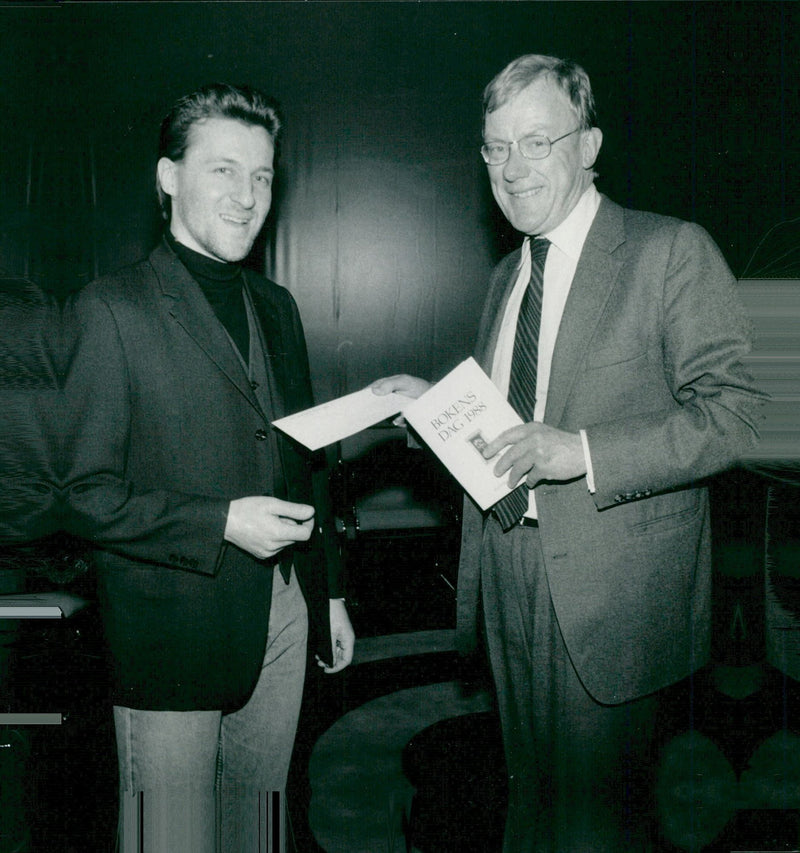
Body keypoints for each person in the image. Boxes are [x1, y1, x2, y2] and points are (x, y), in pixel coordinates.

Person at [373, 54, 764, 851]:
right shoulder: (504, 279)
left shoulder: (669, 252)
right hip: (508, 579)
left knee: (597, 830)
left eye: (536, 142)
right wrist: (435, 409)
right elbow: (510, 436)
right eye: (495, 148)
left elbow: (744, 413)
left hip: (610, 597)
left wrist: (582, 450)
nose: (512, 169)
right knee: (532, 813)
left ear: (588, 146)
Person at [59, 83, 354, 853]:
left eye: (261, 176)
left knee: (254, 830)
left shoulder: (278, 305)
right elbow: (82, 494)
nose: (248, 195)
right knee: (175, 839)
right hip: (170, 634)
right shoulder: (111, 308)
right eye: (223, 170)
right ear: (167, 177)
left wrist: (333, 595)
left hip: (284, 614)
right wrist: (222, 521)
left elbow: (303, 457)